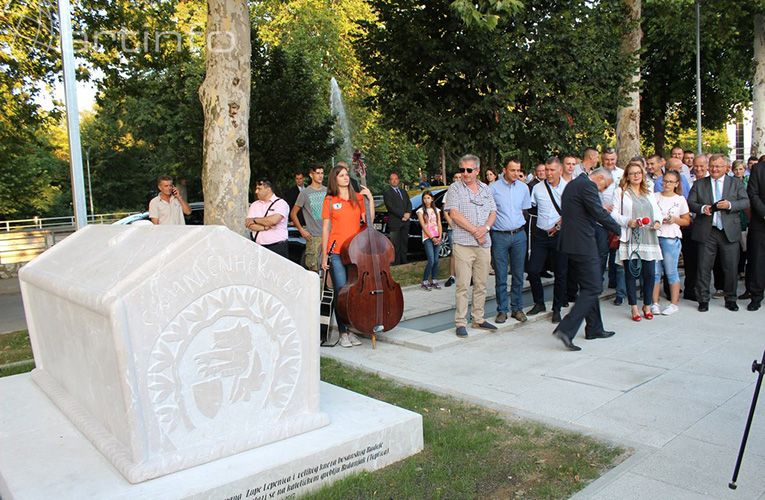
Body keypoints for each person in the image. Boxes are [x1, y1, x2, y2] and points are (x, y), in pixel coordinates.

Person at [553, 168, 622, 351]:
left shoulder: (573, 184)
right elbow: (598, 212)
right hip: (583, 243)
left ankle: (594, 328)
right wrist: (618, 229)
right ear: (600, 177)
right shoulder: (587, 186)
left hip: (571, 243)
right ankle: (566, 329)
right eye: (604, 186)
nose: (602, 190)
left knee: (588, 286)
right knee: (594, 287)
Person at [320, 165, 375, 347]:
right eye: (341, 175)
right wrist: (324, 256)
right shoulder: (330, 200)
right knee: (342, 291)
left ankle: (351, 329)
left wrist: (370, 199)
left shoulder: (357, 198)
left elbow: (369, 220)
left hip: (355, 253)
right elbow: (326, 228)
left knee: (354, 291)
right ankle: (344, 332)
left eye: (346, 175)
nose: (345, 177)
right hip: (336, 252)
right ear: (334, 179)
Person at [687, 154, 749, 312]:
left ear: (726, 167)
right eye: (712, 166)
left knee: (731, 267)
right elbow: (691, 203)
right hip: (707, 231)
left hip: (729, 231)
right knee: (703, 267)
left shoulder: (735, 183)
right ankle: (703, 300)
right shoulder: (699, 184)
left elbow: (745, 201)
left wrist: (730, 205)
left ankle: (731, 299)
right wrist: (702, 208)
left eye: (718, 166)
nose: (714, 169)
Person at [444, 154, 497, 337]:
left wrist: (485, 229)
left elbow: (493, 212)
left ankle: (478, 319)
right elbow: (454, 214)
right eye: (462, 170)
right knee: (463, 285)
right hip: (464, 244)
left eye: (469, 170)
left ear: (477, 171)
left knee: (481, 284)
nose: (465, 173)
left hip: (484, 244)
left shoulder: (486, 189)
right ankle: (460, 322)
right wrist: (476, 232)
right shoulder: (455, 188)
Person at [611, 161, 663, 321]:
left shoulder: (649, 191)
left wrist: (658, 221)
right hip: (630, 237)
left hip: (648, 236)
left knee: (650, 273)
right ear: (627, 176)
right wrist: (628, 221)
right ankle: (634, 307)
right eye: (632, 173)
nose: (636, 176)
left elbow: (657, 210)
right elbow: (614, 214)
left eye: (638, 173)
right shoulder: (620, 192)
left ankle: (647, 305)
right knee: (631, 273)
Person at [491, 158, 531, 323]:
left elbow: (525, 211)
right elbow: (489, 212)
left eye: (518, 170)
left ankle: (517, 308)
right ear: (504, 170)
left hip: (519, 235)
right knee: (501, 275)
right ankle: (502, 310)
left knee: (518, 274)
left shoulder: (523, 188)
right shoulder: (493, 188)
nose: (516, 173)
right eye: (512, 170)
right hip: (499, 235)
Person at [527, 157, 568, 323]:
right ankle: (539, 303)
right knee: (533, 270)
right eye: (547, 170)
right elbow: (532, 207)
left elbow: (571, 212)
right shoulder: (537, 188)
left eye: (552, 170)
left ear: (560, 170)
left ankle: (557, 309)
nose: (548, 173)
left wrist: (557, 227)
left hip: (560, 236)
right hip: (541, 235)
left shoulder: (568, 188)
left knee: (560, 273)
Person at [650, 171, 691, 315]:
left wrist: (675, 220)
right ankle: (654, 303)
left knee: (671, 271)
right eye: (665, 181)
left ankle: (674, 303)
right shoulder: (654, 196)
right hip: (655, 236)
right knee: (655, 273)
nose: (666, 184)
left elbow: (686, 221)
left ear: (676, 184)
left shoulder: (680, 199)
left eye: (670, 182)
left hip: (671, 237)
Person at [290, 164, 326, 271]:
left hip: (328, 235)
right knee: (313, 268)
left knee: (328, 268)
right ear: (311, 175)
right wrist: (301, 230)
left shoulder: (328, 191)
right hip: (313, 236)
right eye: (317, 173)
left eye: (322, 173)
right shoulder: (305, 193)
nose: (320, 176)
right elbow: (293, 213)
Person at [246, 179, 290, 258]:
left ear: (268, 189)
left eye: (259, 189)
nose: (256, 192)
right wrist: (265, 227)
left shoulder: (281, 203)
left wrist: (254, 220)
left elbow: (273, 220)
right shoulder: (254, 205)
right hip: (258, 247)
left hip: (277, 247)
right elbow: (249, 225)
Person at [746, 160, 765, 310]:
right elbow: (752, 194)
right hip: (760, 223)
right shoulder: (758, 169)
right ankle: (756, 297)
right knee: (758, 261)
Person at [383, 172, 413, 265]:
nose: (394, 181)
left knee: (404, 243)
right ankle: (396, 264)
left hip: (405, 222)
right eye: (392, 179)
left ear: (398, 180)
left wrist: (408, 213)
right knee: (395, 245)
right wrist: (403, 215)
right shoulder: (387, 193)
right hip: (395, 223)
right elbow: (391, 207)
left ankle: (404, 262)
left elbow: (409, 203)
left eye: (396, 179)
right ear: (389, 181)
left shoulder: (403, 192)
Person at [416, 191, 443, 290]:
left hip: (437, 236)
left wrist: (440, 236)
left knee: (436, 260)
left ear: (432, 199)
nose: (426, 200)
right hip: (428, 237)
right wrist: (432, 237)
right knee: (431, 260)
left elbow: (439, 223)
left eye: (428, 198)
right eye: (424, 198)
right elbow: (423, 226)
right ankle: (425, 280)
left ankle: (434, 280)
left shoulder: (437, 210)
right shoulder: (420, 211)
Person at [443, 171, 462, 287]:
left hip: (465, 228)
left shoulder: (467, 191)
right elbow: (445, 211)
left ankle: (468, 276)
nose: (458, 179)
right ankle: (452, 276)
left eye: (460, 177)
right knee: (454, 252)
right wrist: (451, 223)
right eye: (456, 177)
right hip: (453, 228)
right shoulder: (449, 192)